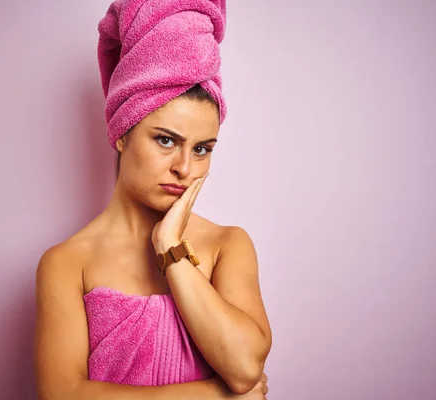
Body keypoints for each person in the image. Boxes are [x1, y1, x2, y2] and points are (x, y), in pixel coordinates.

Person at [35, 1, 272, 399]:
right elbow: (62, 396)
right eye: (166, 140)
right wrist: (214, 395)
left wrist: (171, 249)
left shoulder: (228, 246)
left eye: (202, 149)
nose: (185, 167)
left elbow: (245, 369)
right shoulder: (67, 263)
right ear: (123, 133)